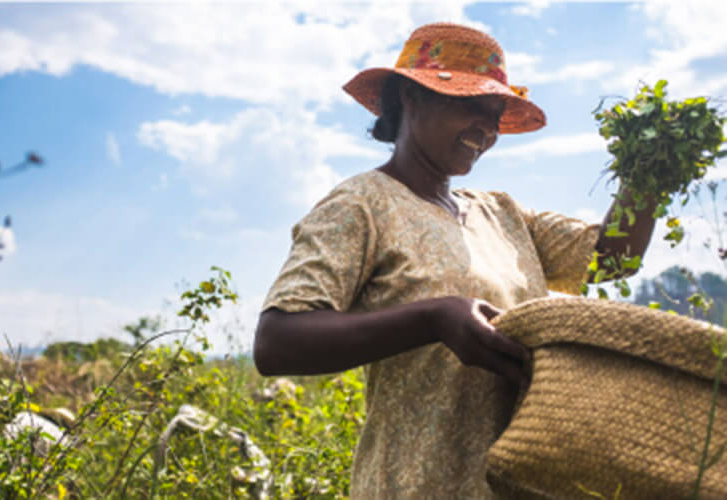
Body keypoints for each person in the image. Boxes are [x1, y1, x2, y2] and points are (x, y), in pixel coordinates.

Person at [253, 22, 656, 499]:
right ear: (411, 97)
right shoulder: (362, 205)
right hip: (415, 485)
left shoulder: (503, 214)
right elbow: (277, 341)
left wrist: (651, 163)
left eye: (494, 114)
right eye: (468, 106)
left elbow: (613, 258)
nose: (485, 130)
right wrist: (434, 319)